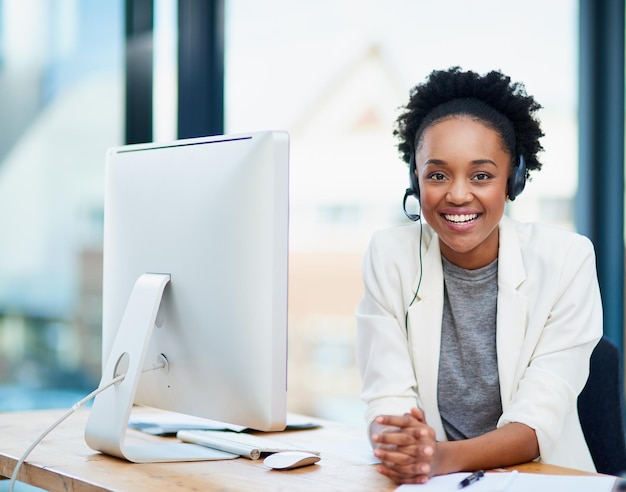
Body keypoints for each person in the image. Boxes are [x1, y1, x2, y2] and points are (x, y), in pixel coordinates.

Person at [355, 67, 603, 485]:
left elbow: (535, 422)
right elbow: (386, 396)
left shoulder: (567, 260)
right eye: (437, 175)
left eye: (481, 175)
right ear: (415, 180)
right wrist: (398, 440)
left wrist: (436, 457)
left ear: (513, 180)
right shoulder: (389, 255)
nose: (457, 194)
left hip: (537, 479)